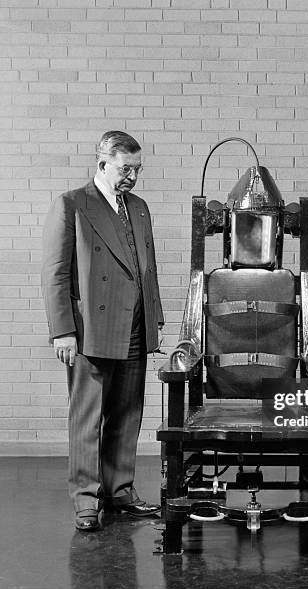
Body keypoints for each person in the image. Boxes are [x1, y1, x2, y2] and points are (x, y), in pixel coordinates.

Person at [42, 131, 165, 531]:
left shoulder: (140, 208)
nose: (131, 176)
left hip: (134, 324)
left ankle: (120, 491)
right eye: (125, 168)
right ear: (102, 163)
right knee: (88, 418)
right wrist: (63, 331)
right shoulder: (73, 204)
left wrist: (155, 322)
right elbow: (56, 274)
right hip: (90, 329)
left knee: (127, 415)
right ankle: (86, 501)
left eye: (137, 169)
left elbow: (148, 268)